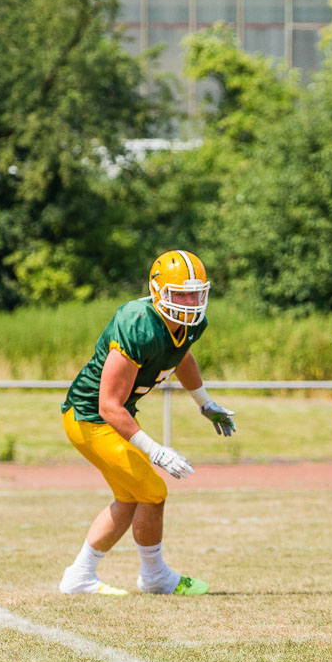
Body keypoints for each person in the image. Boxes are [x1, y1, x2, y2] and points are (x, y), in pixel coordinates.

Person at [57, 251, 235, 596]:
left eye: (195, 293)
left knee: (131, 497)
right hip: (90, 417)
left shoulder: (191, 323)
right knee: (153, 492)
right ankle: (155, 577)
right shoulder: (137, 321)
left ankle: (79, 577)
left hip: (110, 416)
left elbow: (180, 355)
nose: (189, 302)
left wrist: (205, 403)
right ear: (157, 291)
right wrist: (156, 451)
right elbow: (108, 405)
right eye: (179, 293)